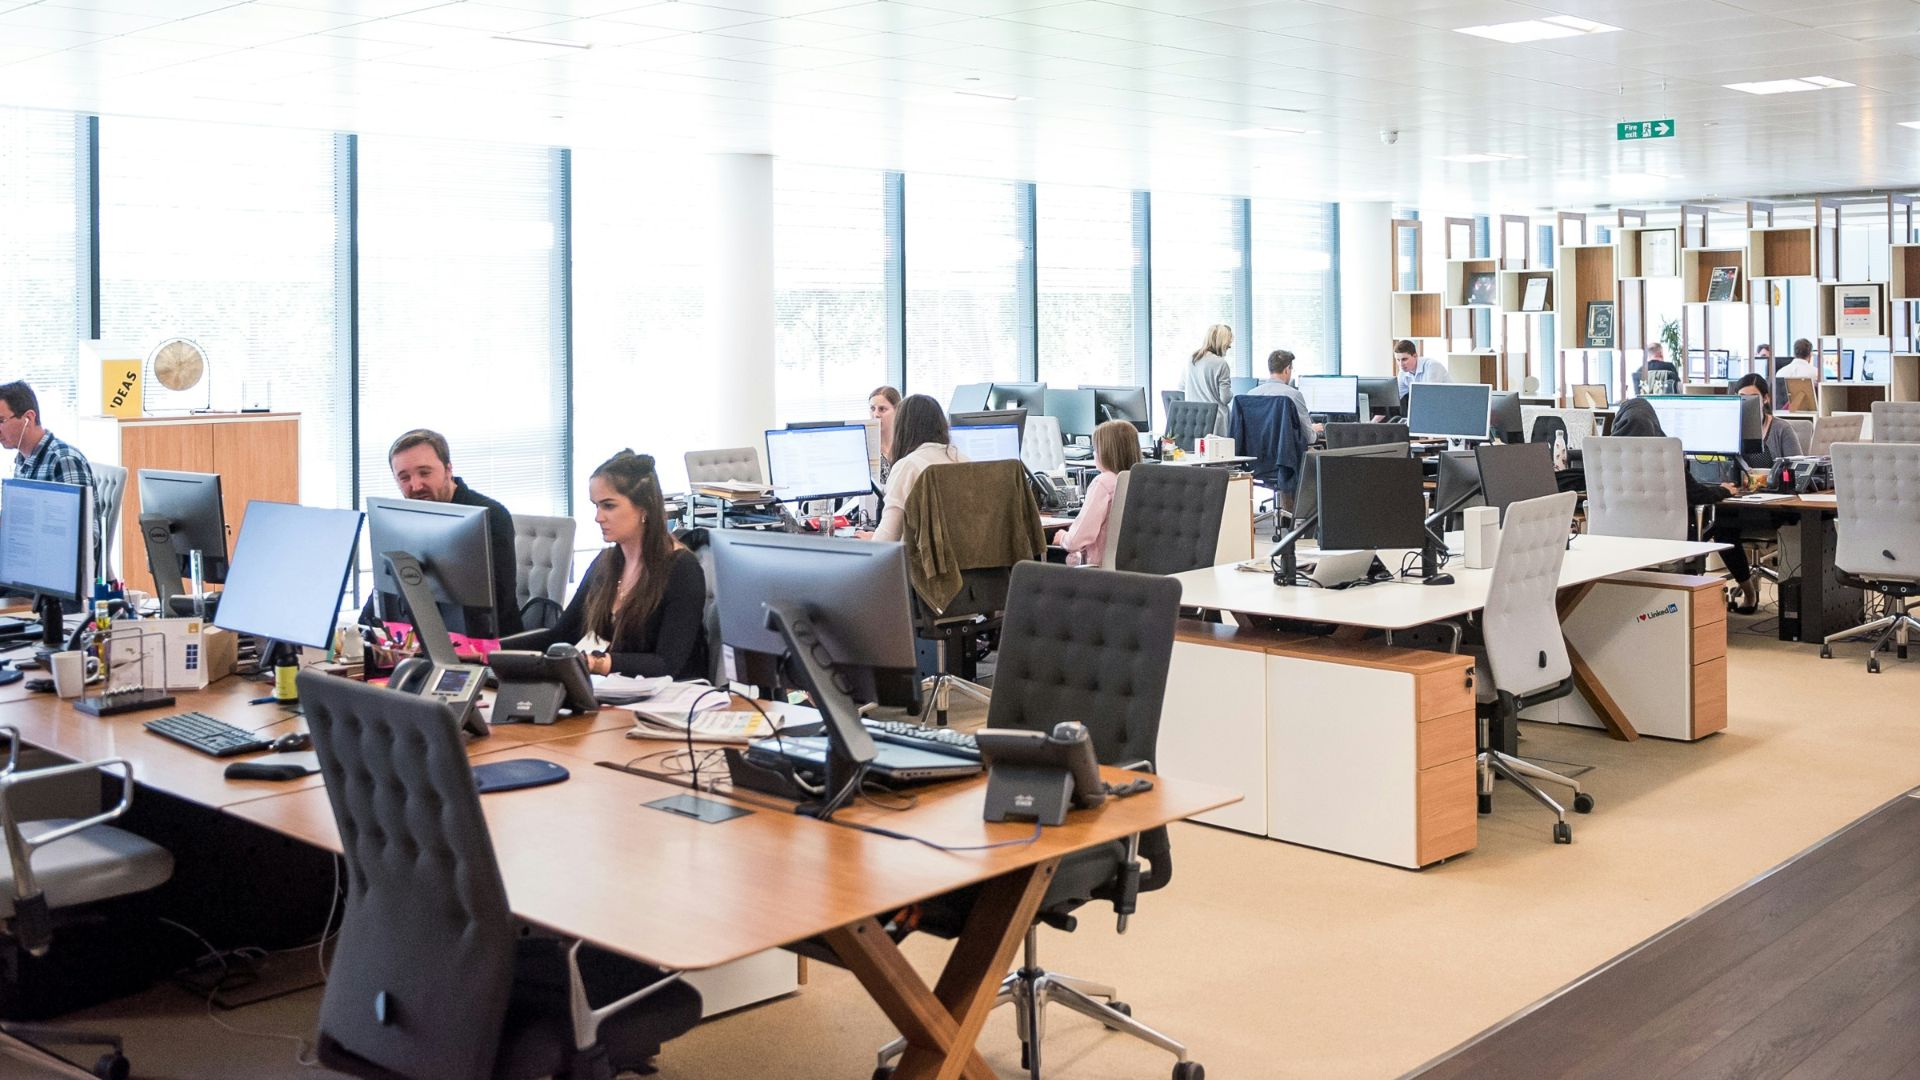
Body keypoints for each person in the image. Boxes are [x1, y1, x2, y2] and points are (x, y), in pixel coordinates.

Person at [536, 450, 707, 679]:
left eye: (608, 506)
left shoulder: (682, 569)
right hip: (614, 694)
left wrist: (595, 663)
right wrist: (485, 650)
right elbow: (560, 636)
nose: (598, 517)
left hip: (668, 701)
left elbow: (666, 664)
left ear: (644, 508)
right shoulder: (605, 564)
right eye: (596, 506)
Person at [364, 429, 522, 639]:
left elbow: (497, 602)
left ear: (448, 469)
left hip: (491, 649)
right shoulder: (405, 520)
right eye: (404, 477)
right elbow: (388, 587)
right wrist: (361, 629)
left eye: (425, 473)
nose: (416, 485)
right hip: (425, 640)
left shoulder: (490, 516)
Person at [1715, 374, 1804, 614]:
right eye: (1741, 398)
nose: (1747, 404)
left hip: (1775, 506)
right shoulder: (1730, 429)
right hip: (1741, 502)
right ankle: (1748, 590)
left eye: (1752, 398)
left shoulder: (1781, 429)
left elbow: (1798, 471)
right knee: (1719, 527)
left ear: (1765, 399)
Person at [868, 394, 966, 544]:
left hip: (923, 564)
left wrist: (869, 541)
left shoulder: (908, 467)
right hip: (968, 561)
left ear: (902, 428)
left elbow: (886, 539)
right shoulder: (963, 460)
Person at [1058, 420, 1141, 568]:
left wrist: (1061, 537)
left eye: (1095, 449)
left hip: (1098, 572)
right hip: (1131, 570)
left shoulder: (1103, 483)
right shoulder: (1139, 480)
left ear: (1105, 452)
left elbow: (1075, 540)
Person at [0, 381, 93, 491]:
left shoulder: (64, 460)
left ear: (28, 419)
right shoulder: (23, 459)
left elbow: (78, 508)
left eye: (1, 420)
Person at [1248, 349, 1322, 434]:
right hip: (1283, 447)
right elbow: (1309, 437)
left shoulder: (1251, 395)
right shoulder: (1293, 395)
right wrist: (1313, 430)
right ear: (1287, 370)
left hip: (1255, 447)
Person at [1183, 324, 1234, 437]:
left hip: (1194, 416)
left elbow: (1181, 386)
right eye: (1228, 345)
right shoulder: (1221, 363)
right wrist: (1231, 394)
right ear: (1222, 343)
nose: (1229, 347)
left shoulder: (1192, 359)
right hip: (1215, 419)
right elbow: (1225, 398)